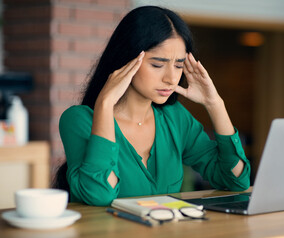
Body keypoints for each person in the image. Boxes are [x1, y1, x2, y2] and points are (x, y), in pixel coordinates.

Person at [55, 5, 250, 206]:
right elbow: (99, 194)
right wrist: (105, 104)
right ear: (127, 59)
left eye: (179, 65)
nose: (171, 78)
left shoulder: (175, 118)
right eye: (157, 65)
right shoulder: (79, 120)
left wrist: (215, 103)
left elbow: (236, 180)